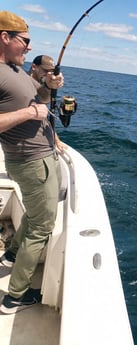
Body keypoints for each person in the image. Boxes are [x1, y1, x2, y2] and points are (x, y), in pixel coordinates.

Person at [0, 11, 65, 314]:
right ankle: (15, 296)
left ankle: (12, 255)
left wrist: (50, 87)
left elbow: (36, 100)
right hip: (31, 161)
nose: (28, 48)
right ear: (5, 37)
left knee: (37, 215)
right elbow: (29, 111)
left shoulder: (15, 71)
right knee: (43, 225)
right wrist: (28, 114)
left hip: (39, 158)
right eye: (24, 41)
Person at [29, 54, 67, 152]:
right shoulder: (24, 82)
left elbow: (44, 119)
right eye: (46, 71)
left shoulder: (42, 86)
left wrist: (57, 141)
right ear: (34, 67)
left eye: (51, 71)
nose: (48, 74)